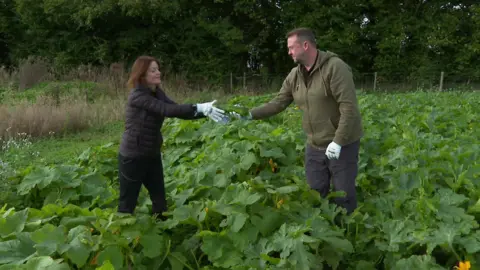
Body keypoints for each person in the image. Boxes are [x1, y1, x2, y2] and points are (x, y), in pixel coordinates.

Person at [231, 27, 363, 214]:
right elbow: (278, 103)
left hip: (342, 144)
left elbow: (349, 108)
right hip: (314, 145)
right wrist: (249, 114)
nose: (289, 52)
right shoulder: (295, 75)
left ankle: (347, 229)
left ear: (306, 45)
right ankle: (323, 230)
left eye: (291, 47)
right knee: (316, 192)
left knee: (343, 194)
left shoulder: (335, 68)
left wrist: (338, 141)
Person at [117, 55, 225, 220]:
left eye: (158, 69)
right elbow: (166, 110)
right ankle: (120, 238)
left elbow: (176, 109)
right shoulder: (138, 96)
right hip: (133, 157)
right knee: (127, 204)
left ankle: (162, 231)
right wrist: (198, 106)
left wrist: (205, 112)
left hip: (151, 154)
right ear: (142, 75)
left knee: (160, 201)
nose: (158, 73)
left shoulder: (157, 93)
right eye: (153, 70)